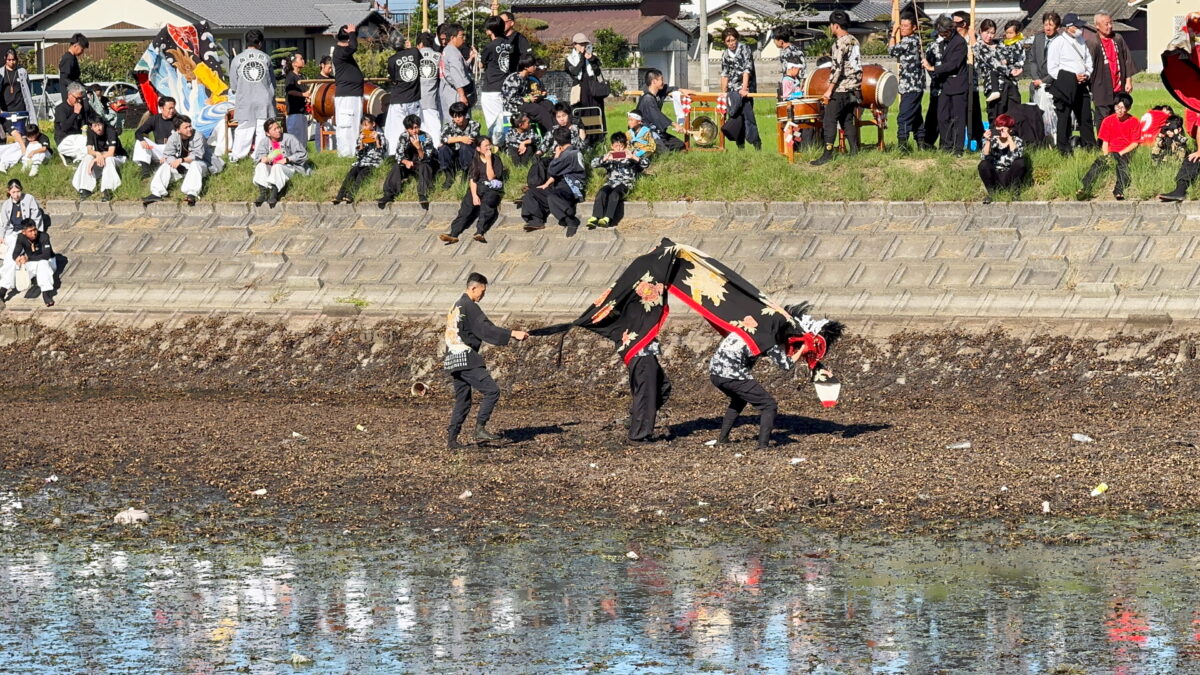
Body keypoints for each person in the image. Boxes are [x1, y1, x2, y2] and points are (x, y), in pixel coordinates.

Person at [709, 309, 843, 449]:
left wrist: (815, 365)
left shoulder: (749, 327)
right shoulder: (767, 339)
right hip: (732, 375)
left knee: (739, 399)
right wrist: (802, 349)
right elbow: (786, 364)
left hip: (715, 373)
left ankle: (722, 439)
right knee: (769, 405)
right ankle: (763, 445)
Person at [443, 272, 529, 448]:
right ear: (473, 288)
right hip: (465, 358)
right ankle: (480, 428)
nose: (483, 295)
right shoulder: (469, 306)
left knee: (463, 400)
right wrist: (513, 333)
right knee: (492, 391)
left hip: (452, 359)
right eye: (482, 291)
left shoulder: (457, 305)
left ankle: (452, 440)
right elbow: (485, 328)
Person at [811, 11, 861, 166]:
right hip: (854, 87)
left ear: (836, 26)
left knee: (829, 121)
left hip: (841, 88)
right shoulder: (854, 40)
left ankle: (827, 154)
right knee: (847, 120)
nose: (830, 28)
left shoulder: (840, 43)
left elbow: (837, 68)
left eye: (831, 25)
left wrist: (829, 89)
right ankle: (854, 151)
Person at [440, 136, 506, 244]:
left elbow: (491, 177)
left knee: (487, 206)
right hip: (477, 187)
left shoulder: (496, 159)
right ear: (478, 149)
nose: (488, 148)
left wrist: (489, 159)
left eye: (489, 145)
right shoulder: (475, 160)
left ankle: (480, 232)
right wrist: (474, 195)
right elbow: (473, 179)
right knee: (466, 208)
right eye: (485, 146)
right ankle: (453, 234)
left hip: (491, 188)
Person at [521, 125, 585, 236]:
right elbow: (556, 173)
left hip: (570, 188)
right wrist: (546, 184)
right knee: (532, 192)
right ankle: (536, 220)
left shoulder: (569, 154)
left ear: (558, 142)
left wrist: (556, 157)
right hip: (558, 186)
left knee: (552, 197)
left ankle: (570, 219)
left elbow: (552, 170)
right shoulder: (571, 152)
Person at [1076, 93, 1138, 200]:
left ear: (1128, 109)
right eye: (1117, 107)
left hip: (1125, 152)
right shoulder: (1108, 121)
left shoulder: (1134, 121)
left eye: (1122, 108)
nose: (1119, 110)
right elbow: (1105, 142)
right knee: (1098, 163)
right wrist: (1106, 155)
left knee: (1122, 166)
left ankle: (1119, 190)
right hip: (1111, 152)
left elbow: (1135, 143)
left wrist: (1121, 153)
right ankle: (1085, 187)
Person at [1047, 13, 1094, 155]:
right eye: (1077, 26)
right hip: (1064, 86)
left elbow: (1088, 61)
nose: (1080, 29)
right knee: (1064, 118)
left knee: (1085, 116)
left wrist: (1086, 74)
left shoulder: (1081, 40)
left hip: (1081, 84)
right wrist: (1072, 78)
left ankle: (1090, 145)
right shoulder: (1057, 43)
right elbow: (1052, 68)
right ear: (1068, 27)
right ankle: (1063, 148)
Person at [228, 30, 274, 162]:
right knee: (262, 129)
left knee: (243, 129)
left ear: (245, 42)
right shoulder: (266, 58)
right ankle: (258, 157)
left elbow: (234, 86)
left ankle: (236, 156)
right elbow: (272, 82)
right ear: (260, 43)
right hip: (264, 100)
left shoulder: (237, 59)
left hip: (244, 100)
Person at [588, 131, 649, 229]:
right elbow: (593, 164)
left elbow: (646, 164)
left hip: (626, 183)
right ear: (612, 146)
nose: (619, 149)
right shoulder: (610, 157)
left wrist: (633, 157)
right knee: (602, 192)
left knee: (614, 194)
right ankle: (595, 216)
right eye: (616, 146)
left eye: (621, 146)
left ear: (625, 145)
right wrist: (604, 159)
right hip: (611, 182)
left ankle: (607, 218)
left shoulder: (632, 155)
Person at [143, 114, 208, 206]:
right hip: (184, 165)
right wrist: (174, 162)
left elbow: (197, 155)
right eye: (186, 127)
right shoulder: (173, 137)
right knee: (166, 165)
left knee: (195, 164)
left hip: (202, 165)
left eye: (190, 126)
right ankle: (156, 193)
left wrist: (181, 160)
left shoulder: (198, 136)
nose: (189, 129)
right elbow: (168, 154)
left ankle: (192, 193)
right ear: (178, 130)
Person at [924, 16, 967, 155]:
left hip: (957, 85)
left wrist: (933, 69)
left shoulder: (960, 42)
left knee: (958, 118)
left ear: (951, 30)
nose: (942, 35)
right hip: (944, 85)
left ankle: (958, 148)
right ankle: (946, 146)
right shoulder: (941, 42)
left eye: (944, 33)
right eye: (940, 33)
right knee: (942, 117)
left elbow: (954, 64)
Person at [1089, 11, 1135, 131]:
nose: (1110, 26)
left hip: (1118, 85)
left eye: (1111, 23)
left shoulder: (1117, 38)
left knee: (1118, 114)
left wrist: (1128, 80)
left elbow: (1127, 59)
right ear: (1097, 26)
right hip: (1101, 86)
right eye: (1106, 24)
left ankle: (1116, 142)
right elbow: (1088, 66)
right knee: (1103, 116)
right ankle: (1102, 143)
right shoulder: (1093, 42)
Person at [379, 113, 435, 210]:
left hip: (421, 162)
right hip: (408, 163)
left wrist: (418, 147)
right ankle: (389, 194)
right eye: (411, 129)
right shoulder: (404, 137)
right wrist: (406, 162)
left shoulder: (423, 136)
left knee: (425, 166)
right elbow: (398, 154)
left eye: (416, 128)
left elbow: (426, 157)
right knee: (396, 167)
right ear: (406, 129)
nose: (414, 131)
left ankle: (423, 194)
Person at [624, 334, 672, 444]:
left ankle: (637, 420)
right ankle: (638, 434)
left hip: (645, 351)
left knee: (663, 387)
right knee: (646, 394)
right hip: (640, 352)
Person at [251, 118, 309, 208]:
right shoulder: (264, 142)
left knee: (277, 166)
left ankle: (275, 192)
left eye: (278, 128)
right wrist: (266, 158)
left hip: (290, 167)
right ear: (267, 133)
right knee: (260, 166)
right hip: (272, 168)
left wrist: (287, 159)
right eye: (274, 129)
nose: (278, 130)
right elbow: (259, 158)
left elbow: (303, 154)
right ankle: (263, 192)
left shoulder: (289, 138)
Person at [719, 27, 760, 150]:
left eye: (733, 40)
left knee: (748, 117)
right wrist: (723, 92)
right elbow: (725, 74)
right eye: (728, 41)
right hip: (733, 91)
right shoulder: (725, 54)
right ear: (724, 42)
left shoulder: (745, 49)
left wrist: (744, 88)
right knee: (736, 118)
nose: (731, 43)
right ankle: (740, 146)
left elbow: (747, 70)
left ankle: (757, 144)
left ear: (737, 39)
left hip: (745, 90)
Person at [888, 13, 925, 152]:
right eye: (901, 26)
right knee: (916, 116)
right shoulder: (917, 41)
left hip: (910, 86)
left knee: (903, 116)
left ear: (914, 27)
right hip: (916, 86)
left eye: (905, 26)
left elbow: (891, 50)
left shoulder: (908, 41)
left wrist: (893, 34)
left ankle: (903, 147)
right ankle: (921, 143)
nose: (902, 29)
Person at [332, 113, 387, 204]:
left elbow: (381, 153)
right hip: (362, 161)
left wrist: (377, 140)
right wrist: (361, 142)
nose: (364, 127)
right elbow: (358, 155)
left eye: (366, 124)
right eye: (362, 125)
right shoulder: (362, 136)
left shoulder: (380, 135)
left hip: (374, 162)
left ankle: (351, 195)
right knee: (352, 172)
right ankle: (340, 195)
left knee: (362, 174)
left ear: (373, 124)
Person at [1, 219, 56, 307]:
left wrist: (28, 258)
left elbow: (46, 255)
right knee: (12, 263)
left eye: (35, 230)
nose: (34, 233)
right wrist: (18, 259)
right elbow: (15, 253)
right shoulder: (21, 237)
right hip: (32, 262)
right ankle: (2, 292)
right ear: (24, 232)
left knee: (43, 264)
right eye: (30, 231)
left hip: (48, 262)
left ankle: (46, 293)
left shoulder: (44, 236)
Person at [385, 34, 423, 155]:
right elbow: (420, 62)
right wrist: (409, 49)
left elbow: (393, 78)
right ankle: (419, 150)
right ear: (404, 42)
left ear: (392, 46)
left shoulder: (391, 60)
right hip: (414, 99)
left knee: (395, 130)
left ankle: (395, 154)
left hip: (398, 100)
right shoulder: (415, 52)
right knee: (417, 128)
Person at [72, 115, 125, 201]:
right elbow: (89, 150)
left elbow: (111, 153)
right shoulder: (90, 131)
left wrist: (95, 159)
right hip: (101, 156)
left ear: (103, 124)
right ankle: (85, 188)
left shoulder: (110, 130)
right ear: (91, 127)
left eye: (100, 125)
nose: (98, 128)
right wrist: (97, 154)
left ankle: (108, 189)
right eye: (95, 126)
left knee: (108, 159)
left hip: (118, 157)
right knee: (87, 157)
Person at [977, 113, 1027, 203]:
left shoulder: (1017, 141)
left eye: (1004, 128)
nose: (1001, 130)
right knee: (983, 164)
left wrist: (1009, 138)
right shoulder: (992, 140)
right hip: (995, 175)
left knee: (1020, 163)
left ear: (1010, 129)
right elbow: (984, 156)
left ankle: (1014, 192)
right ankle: (992, 193)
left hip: (1009, 175)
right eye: (999, 127)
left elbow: (1017, 156)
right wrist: (988, 140)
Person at [565, 32, 606, 139]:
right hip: (580, 89)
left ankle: (598, 137)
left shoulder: (591, 56)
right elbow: (574, 72)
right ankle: (583, 138)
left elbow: (597, 72)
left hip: (593, 88)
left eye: (585, 44)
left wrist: (592, 59)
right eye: (581, 44)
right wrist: (583, 58)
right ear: (574, 45)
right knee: (582, 112)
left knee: (596, 110)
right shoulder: (569, 59)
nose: (583, 46)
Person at [501, 53, 556, 133]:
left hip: (526, 102)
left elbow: (527, 93)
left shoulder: (526, 79)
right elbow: (510, 98)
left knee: (548, 104)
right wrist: (526, 99)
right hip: (515, 106)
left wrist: (537, 95)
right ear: (526, 67)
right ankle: (552, 132)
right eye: (533, 65)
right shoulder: (514, 78)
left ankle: (555, 128)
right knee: (539, 110)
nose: (535, 67)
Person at [332, 24, 364, 159]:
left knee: (354, 125)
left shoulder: (344, 53)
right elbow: (353, 46)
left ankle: (353, 152)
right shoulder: (340, 51)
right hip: (347, 96)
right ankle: (346, 154)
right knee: (346, 126)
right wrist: (352, 33)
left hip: (353, 95)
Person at [637, 68, 688, 153]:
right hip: (646, 133)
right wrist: (675, 124)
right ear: (654, 82)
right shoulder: (647, 99)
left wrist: (680, 90)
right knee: (664, 153)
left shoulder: (657, 93)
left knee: (681, 146)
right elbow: (657, 116)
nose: (663, 82)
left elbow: (667, 88)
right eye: (661, 80)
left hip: (658, 132)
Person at [1028, 13, 1062, 139]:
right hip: (1036, 83)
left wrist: (1043, 81)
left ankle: (1052, 139)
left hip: (1052, 83)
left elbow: (1059, 66)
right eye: (1046, 24)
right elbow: (1032, 60)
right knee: (1035, 113)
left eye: (1051, 25)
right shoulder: (1038, 38)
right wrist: (1036, 77)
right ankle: (1036, 139)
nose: (1047, 28)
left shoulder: (1061, 41)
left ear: (1057, 27)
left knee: (1051, 115)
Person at [479, 16, 511, 142]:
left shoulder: (490, 46)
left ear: (490, 30)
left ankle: (497, 144)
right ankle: (507, 142)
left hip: (491, 88)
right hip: (505, 86)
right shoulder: (508, 44)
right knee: (505, 118)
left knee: (494, 121)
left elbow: (481, 64)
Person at [132, 96, 177, 178]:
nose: (172, 111)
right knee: (140, 141)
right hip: (159, 150)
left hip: (174, 151)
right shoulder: (155, 119)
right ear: (161, 108)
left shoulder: (178, 119)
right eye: (169, 108)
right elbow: (138, 132)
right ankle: (145, 170)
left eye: (173, 108)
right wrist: (142, 140)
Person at [438, 101, 480, 188]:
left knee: (465, 147)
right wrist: (461, 138)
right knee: (443, 148)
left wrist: (451, 139)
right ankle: (449, 175)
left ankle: (466, 173)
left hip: (468, 155)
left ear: (465, 115)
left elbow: (470, 139)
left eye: (459, 116)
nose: (457, 119)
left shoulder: (474, 125)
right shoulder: (449, 126)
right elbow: (442, 139)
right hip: (454, 155)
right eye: (454, 117)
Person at [438, 23, 474, 123]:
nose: (463, 38)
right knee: (460, 122)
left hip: (448, 90)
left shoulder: (448, 50)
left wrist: (470, 58)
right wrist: (462, 95)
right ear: (453, 37)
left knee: (451, 121)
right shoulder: (453, 52)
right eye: (461, 36)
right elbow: (456, 75)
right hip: (455, 93)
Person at [0, 49, 37, 136]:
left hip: (20, 108)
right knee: (7, 134)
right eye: (9, 60)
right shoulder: (1, 73)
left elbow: (27, 89)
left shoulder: (22, 72)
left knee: (21, 133)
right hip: (6, 109)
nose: (11, 62)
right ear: (5, 59)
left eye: (13, 60)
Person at [415, 32, 443, 147]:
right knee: (435, 127)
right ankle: (437, 147)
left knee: (420, 128)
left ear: (420, 44)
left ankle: (423, 147)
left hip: (416, 99)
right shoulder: (439, 56)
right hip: (432, 99)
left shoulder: (414, 55)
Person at [53, 82, 87, 163]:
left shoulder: (81, 107)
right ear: (69, 95)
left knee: (89, 146)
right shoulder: (61, 109)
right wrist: (75, 113)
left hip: (78, 137)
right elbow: (64, 127)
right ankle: (72, 158)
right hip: (64, 138)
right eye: (77, 98)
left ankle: (78, 160)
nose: (79, 100)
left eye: (80, 98)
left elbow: (83, 125)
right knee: (78, 149)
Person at [283, 53, 309, 144]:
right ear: (294, 63)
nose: (303, 60)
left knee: (303, 138)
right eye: (301, 59)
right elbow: (289, 91)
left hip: (302, 111)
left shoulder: (301, 76)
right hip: (294, 112)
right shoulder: (290, 76)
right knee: (295, 138)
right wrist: (304, 94)